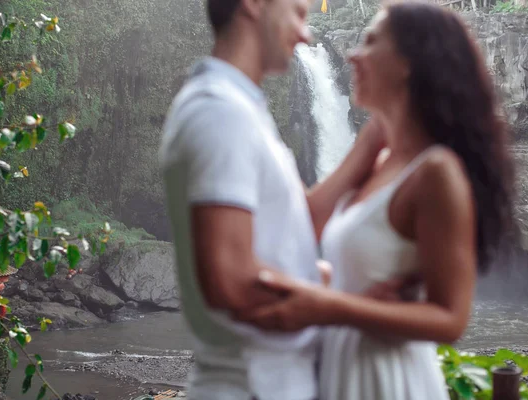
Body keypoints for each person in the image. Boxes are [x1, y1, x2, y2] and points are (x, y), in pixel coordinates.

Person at [236, 3, 516, 399]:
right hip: (346, 370)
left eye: (370, 42)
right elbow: (305, 226)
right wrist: (368, 142)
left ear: (407, 63)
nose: (352, 54)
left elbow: (451, 319)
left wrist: (327, 305)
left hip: (391, 378)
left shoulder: (436, 172)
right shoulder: (380, 159)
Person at [158, 0, 398, 399]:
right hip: (252, 385)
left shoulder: (240, 109)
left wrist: (372, 140)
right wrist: (356, 306)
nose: (306, 33)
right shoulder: (220, 112)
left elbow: (292, 229)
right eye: (299, 13)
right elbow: (232, 282)